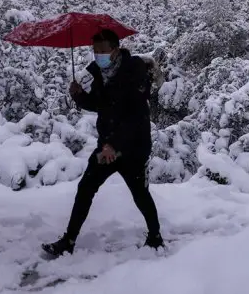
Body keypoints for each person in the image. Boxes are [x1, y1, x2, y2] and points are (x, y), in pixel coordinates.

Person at [42, 28, 163, 257]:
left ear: (115, 50)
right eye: (95, 51)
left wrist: (114, 145)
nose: (98, 55)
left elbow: (136, 117)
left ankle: (155, 236)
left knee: (139, 194)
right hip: (107, 146)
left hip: (132, 147)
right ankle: (68, 241)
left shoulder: (134, 73)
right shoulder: (101, 73)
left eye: (102, 50)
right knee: (85, 188)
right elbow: (101, 105)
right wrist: (79, 95)